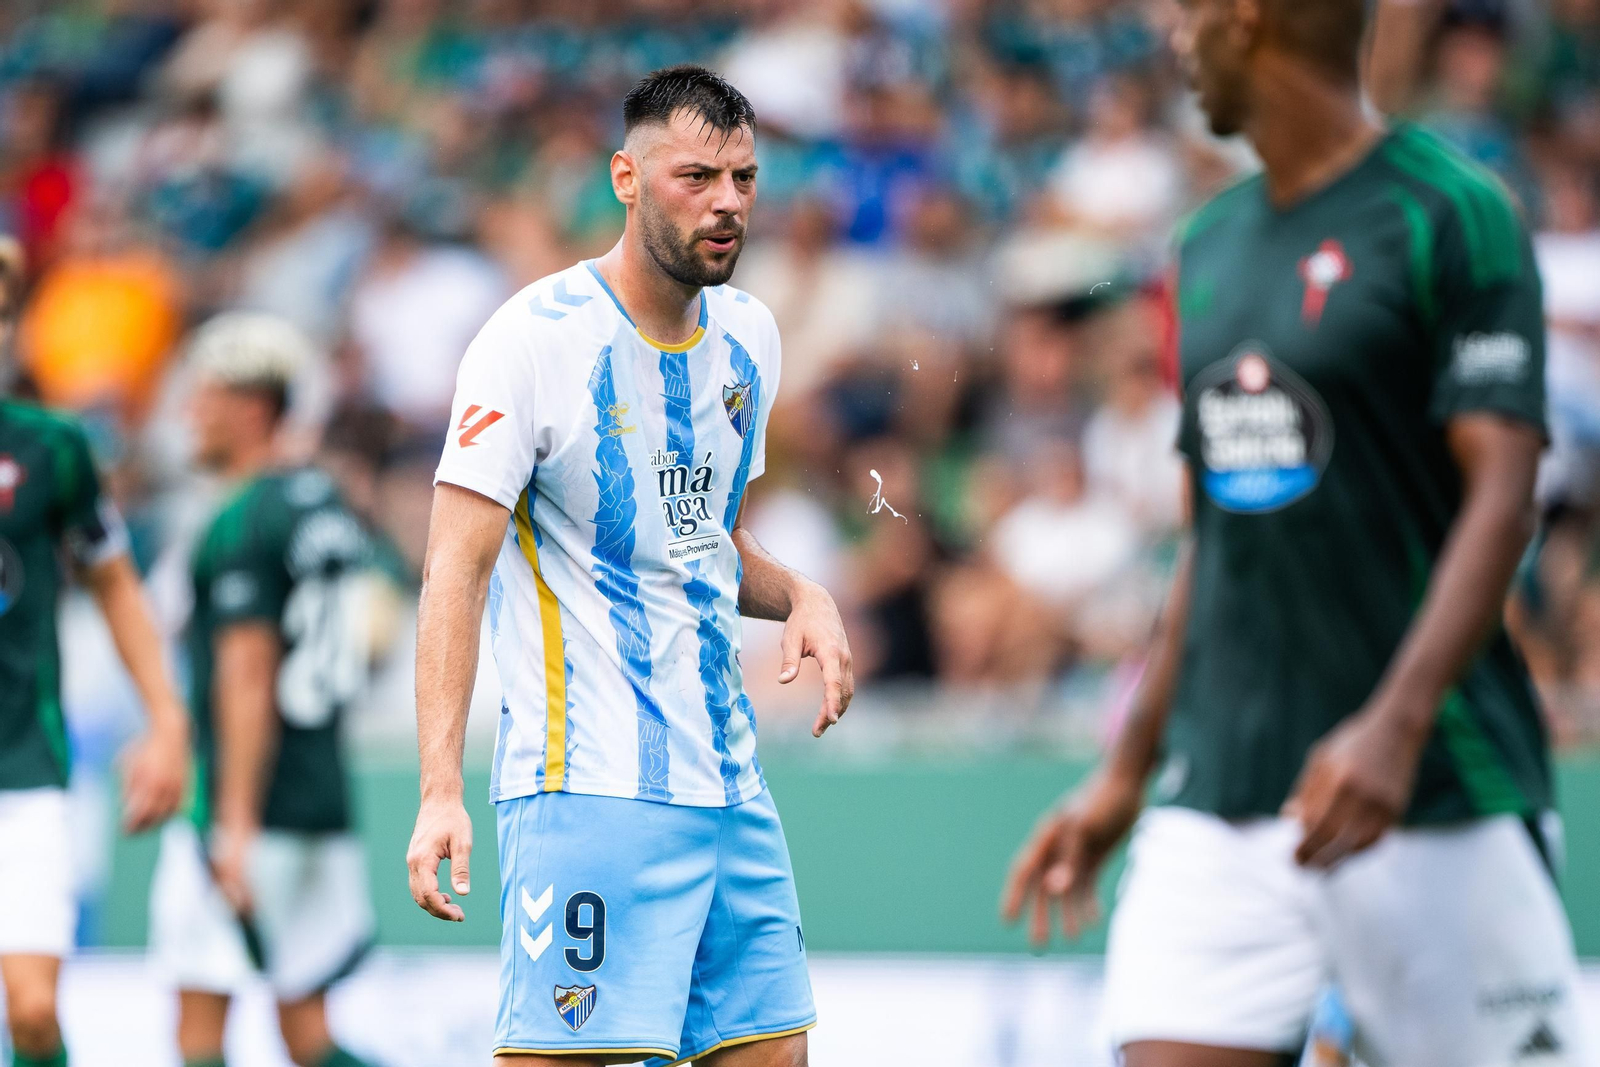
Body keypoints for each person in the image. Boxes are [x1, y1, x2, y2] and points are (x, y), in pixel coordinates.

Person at [1002, 2, 1589, 1066]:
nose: (1174, 38)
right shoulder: (1205, 244)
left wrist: (1395, 725)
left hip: (1429, 784)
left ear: (1250, 19)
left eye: (1191, 13)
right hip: (1223, 794)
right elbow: (1212, 536)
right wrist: (1127, 770)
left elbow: (1504, 499)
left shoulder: (1453, 211)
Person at [405, 65, 853, 1067]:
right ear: (626, 177)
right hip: (588, 790)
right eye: (697, 176)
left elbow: (702, 540)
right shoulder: (529, 342)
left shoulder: (750, 337)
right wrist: (440, 787)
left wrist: (802, 592)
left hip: (729, 785)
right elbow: (454, 572)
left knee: (775, 1057)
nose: (727, 202)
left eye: (743, 178)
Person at [147, 312, 378, 1067]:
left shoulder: (243, 517)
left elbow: (247, 674)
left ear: (251, 407)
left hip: (247, 804)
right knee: (307, 1032)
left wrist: (234, 822)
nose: (189, 412)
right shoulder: (325, 501)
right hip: (320, 794)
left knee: (198, 1030)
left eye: (205, 395)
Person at [0, 233, 189, 1067]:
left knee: (34, 1010)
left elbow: (113, 581)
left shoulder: (52, 448)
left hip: (23, 767)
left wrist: (166, 719)